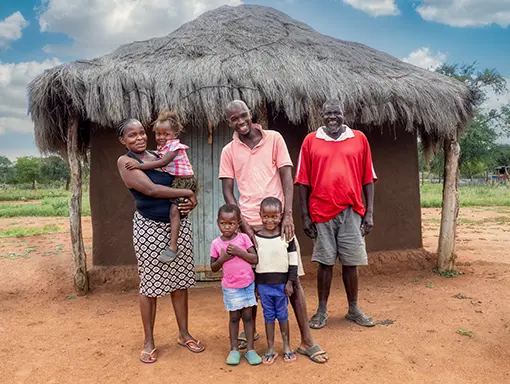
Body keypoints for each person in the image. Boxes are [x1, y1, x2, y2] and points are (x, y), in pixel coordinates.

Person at [219, 100, 328, 364]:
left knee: (292, 280)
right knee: (252, 282)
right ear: (229, 122)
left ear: (250, 114)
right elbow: (227, 190)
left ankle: (306, 341)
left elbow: (287, 176)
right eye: (234, 119)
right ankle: (252, 334)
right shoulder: (228, 150)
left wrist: (287, 215)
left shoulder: (274, 139)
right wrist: (244, 225)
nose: (240, 121)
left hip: (278, 224)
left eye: (243, 115)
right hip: (250, 225)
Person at [116, 118, 205, 364]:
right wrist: (187, 193)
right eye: (132, 135)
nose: (139, 138)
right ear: (123, 141)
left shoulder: (159, 153)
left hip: (177, 224)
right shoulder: (126, 162)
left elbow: (179, 176)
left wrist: (189, 199)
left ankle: (184, 334)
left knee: (179, 282)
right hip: (149, 227)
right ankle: (149, 341)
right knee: (150, 285)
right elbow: (152, 190)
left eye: (142, 132)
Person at [295, 98, 377, 330]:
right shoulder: (311, 141)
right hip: (321, 212)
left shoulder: (359, 138)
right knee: (325, 262)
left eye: (337, 113)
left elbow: (368, 178)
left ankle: (353, 309)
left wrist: (369, 213)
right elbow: (303, 181)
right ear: (322, 115)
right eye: (328, 113)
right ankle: (321, 311)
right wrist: (305, 216)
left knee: (351, 263)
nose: (333, 117)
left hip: (352, 211)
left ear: (344, 114)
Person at [125, 111, 197, 263]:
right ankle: (173, 245)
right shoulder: (160, 150)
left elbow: (162, 163)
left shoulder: (174, 147)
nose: (161, 137)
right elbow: (152, 190)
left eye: (166, 134)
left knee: (173, 212)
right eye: (158, 134)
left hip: (184, 181)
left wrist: (140, 166)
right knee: (174, 210)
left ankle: (173, 246)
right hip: (151, 228)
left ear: (175, 134)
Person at [210, 204, 263, 366]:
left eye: (231, 223)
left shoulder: (244, 239)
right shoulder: (216, 243)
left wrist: (239, 252)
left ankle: (250, 350)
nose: (227, 226)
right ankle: (234, 349)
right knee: (234, 317)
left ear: (238, 223)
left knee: (248, 316)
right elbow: (213, 267)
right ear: (218, 223)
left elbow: (255, 259)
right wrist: (223, 259)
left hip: (247, 284)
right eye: (223, 223)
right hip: (230, 287)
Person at [255, 197, 298, 364]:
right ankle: (270, 348)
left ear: (281, 216)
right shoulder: (256, 237)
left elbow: (293, 261)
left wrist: (290, 282)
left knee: (282, 315)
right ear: (260, 215)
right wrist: (256, 286)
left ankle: (287, 346)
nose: (270, 220)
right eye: (266, 216)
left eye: (274, 216)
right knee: (268, 316)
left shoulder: (287, 237)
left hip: (281, 286)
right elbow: (254, 264)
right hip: (264, 287)